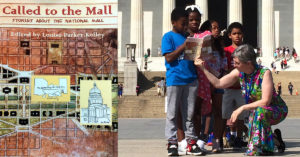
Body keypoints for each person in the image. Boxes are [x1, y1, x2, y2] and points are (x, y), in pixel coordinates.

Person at [195, 44, 288, 156]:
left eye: (237, 63)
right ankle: (276, 141)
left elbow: (265, 101)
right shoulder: (239, 72)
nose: (234, 65)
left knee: (258, 113)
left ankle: (256, 149)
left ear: (248, 63)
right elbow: (218, 83)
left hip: (277, 110)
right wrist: (203, 68)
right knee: (256, 119)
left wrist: (242, 108)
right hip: (257, 112)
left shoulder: (265, 73)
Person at [161, 7, 203, 156]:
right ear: (173, 22)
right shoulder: (168, 37)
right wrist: (183, 46)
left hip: (191, 79)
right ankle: (172, 143)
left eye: (186, 23)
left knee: (189, 114)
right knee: (172, 113)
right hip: (175, 79)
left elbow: (192, 59)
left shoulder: (189, 37)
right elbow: (169, 58)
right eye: (183, 23)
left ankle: (191, 142)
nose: (185, 26)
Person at [223, 22, 248, 149]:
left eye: (239, 33)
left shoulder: (247, 51)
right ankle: (224, 137)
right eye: (234, 33)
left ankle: (238, 137)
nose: (237, 36)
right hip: (228, 88)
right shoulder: (226, 51)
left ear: (243, 35)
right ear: (229, 36)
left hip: (242, 88)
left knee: (241, 116)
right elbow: (223, 67)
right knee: (225, 114)